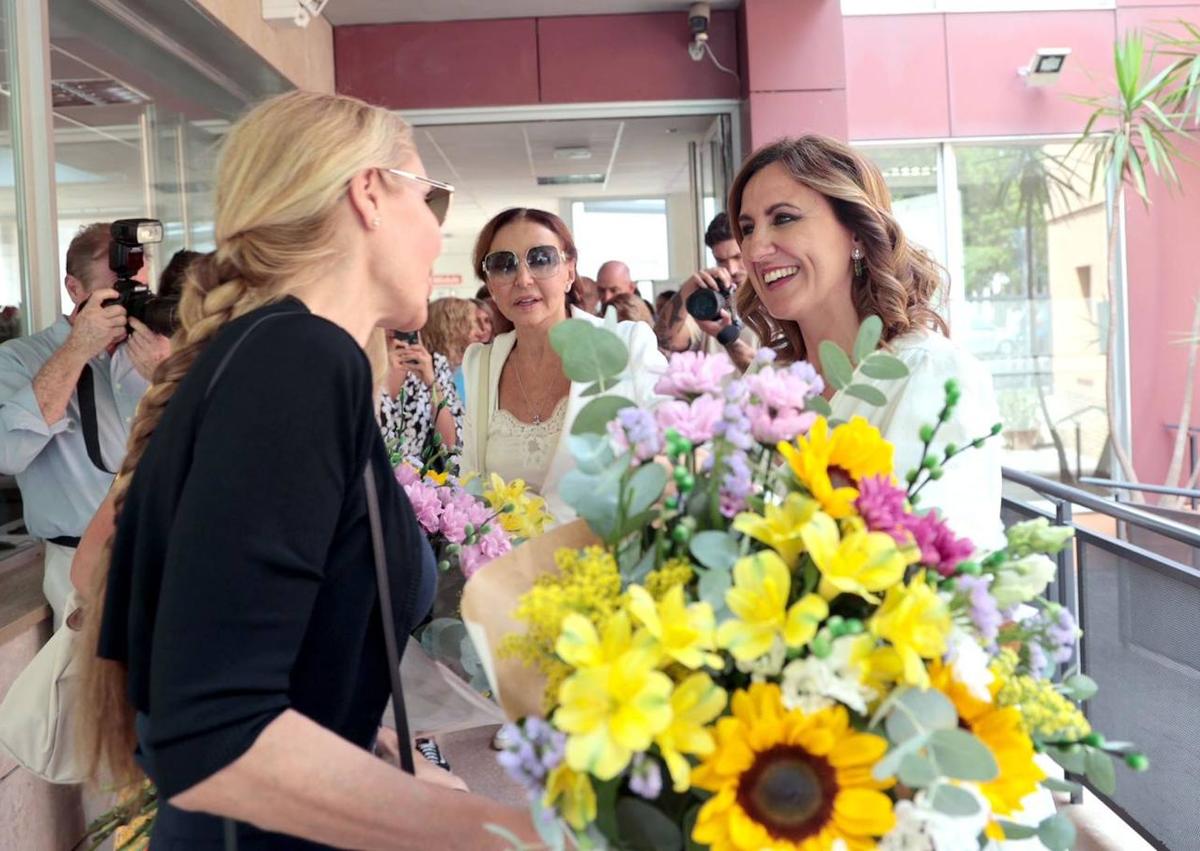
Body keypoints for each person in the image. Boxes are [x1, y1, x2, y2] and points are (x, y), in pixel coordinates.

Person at [78, 91, 537, 849]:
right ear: (368, 191)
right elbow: (218, 728)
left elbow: (279, 671)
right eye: (431, 197)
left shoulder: (281, 357)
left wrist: (382, 755)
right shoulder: (296, 360)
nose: (438, 229)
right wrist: (503, 830)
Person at [729, 135, 1002, 548]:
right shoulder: (766, 378)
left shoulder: (930, 372)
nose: (755, 248)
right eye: (747, 228)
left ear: (856, 232)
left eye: (783, 218)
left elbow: (948, 564)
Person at [0, 223, 170, 628]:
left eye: (139, 292)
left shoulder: (156, 352)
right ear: (75, 289)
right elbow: (8, 453)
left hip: (165, 552)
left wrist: (169, 377)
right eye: (118, 293)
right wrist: (78, 348)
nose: (131, 305)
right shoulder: (19, 357)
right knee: (88, 689)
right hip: (78, 563)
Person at [461, 209, 666, 521]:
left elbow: (674, 451)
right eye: (503, 265)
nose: (523, 279)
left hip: (604, 561)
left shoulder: (626, 344)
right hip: (507, 566)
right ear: (489, 284)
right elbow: (471, 484)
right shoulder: (480, 363)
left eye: (541, 259)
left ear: (570, 271)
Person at [655, 212, 755, 370]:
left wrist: (726, 337)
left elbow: (773, 374)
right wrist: (688, 288)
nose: (731, 269)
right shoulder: (708, 305)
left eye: (738, 257)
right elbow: (665, 341)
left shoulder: (779, 302)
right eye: (721, 260)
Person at [379, 327, 462, 468]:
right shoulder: (359, 361)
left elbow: (448, 445)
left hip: (412, 483)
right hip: (365, 480)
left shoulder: (435, 364)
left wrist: (431, 382)